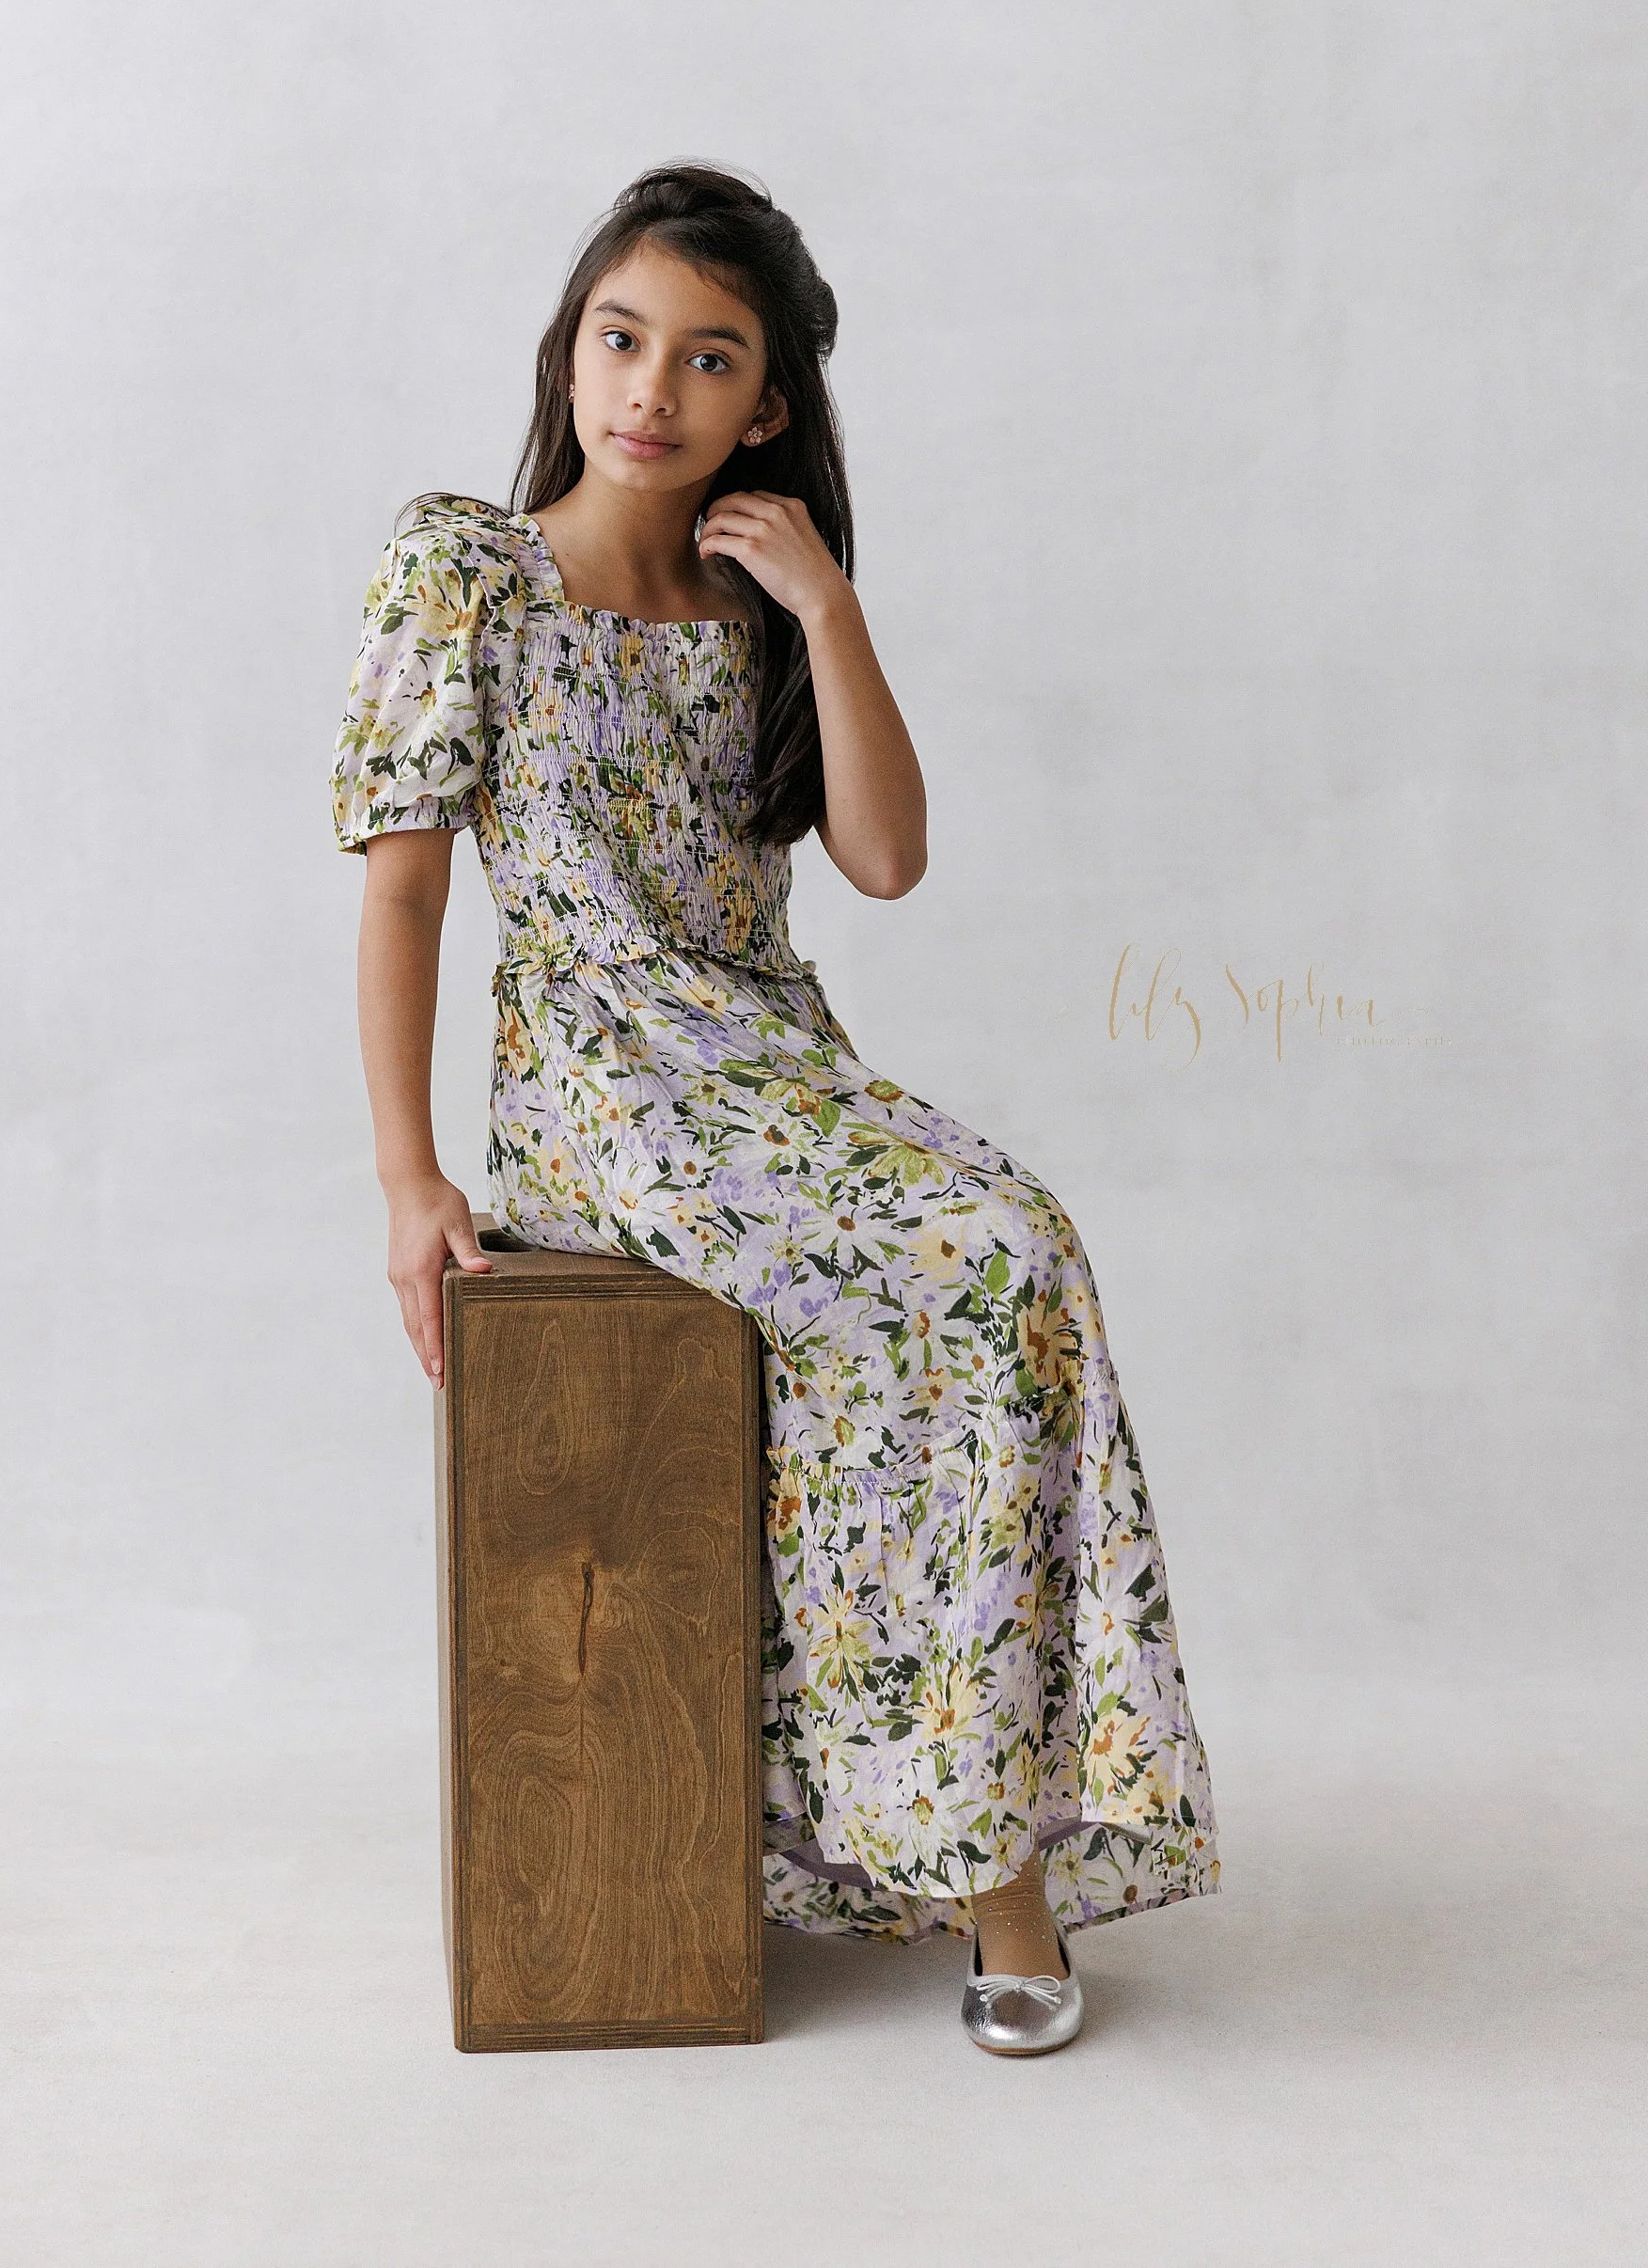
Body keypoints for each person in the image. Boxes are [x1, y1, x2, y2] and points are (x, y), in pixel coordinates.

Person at [334, 164, 1219, 2055]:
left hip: (772, 1068)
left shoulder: (758, 605)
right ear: (569, 347)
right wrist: (407, 1172)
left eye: (704, 357)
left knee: (1012, 1250)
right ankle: (988, 1879)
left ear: (769, 404)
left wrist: (824, 597)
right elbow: (403, 883)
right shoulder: (460, 569)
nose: (648, 387)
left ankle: (957, 1822)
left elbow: (885, 857)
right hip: (602, 1090)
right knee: (958, 1268)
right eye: (619, 336)